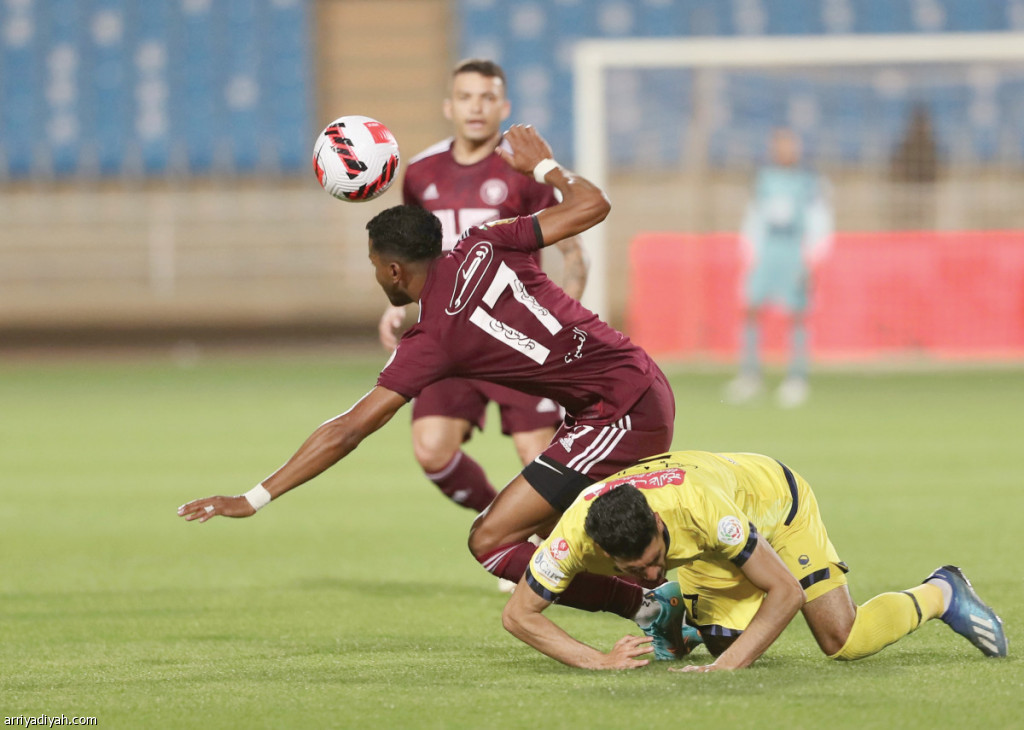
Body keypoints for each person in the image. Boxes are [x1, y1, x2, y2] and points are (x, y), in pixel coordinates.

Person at [178, 124, 686, 652]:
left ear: (395, 271)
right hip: (629, 383)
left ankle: (654, 605)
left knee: (492, 541)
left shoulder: (433, 339)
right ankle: (666, 599)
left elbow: (348, 429)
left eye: (376, 267)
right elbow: (593, 205)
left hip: (620, 410)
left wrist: (254, 498)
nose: (377, 276)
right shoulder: (486, 240)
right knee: (560, 528)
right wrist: (544, 168)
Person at [503, 450, 1008, 670]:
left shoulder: (701, 511)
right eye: (635, 572)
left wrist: (724, 671)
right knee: (727, 639)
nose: (650, 575)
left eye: (657, 562)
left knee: (843, 641)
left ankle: (942, 592)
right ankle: (677, 608)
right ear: (603, 552)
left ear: (658, 522)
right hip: (710, 543)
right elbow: (518, 615)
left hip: (775, 506)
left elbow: (784, 591)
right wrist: (598, 660)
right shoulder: (573, 537)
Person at [379, 58, 587, 515]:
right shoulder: (420, 172)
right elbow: (414, 256)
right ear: (449, 106)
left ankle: (569, 547)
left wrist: (560, 325)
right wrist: (397, 306)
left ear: (504, 107)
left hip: (518, 337)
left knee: (540, 458)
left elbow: (574, 255)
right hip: (449, 335)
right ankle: (503, 526)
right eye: (466, 97)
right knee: (431, 448)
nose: (476, 107)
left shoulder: (524, 171)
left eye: (487, 97)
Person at [724, 127, 833, 408]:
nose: (785, 151)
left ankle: (797, 378)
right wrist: (749, 253)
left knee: (797, 315)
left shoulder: (810, 182)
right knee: (750, 309)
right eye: (780, 146)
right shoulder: (763, 180)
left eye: (790, 146)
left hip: (794, 251)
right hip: (767, 252)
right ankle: (750, 376)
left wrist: (812, 257)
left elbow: (820, 220)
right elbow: (754, 218)